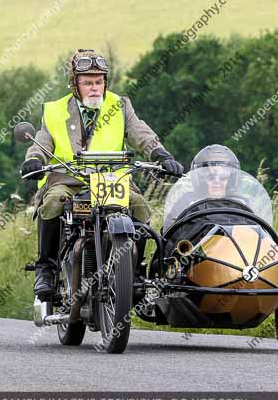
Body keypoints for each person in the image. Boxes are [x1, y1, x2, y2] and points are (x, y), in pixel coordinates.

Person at [21, 49, 184, 300]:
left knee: (139, 206)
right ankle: (46, 270)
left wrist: (161, 155)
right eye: (88, 83)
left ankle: (134, 273)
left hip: (111, 180)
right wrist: (33, 160)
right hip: (68, 180)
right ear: (74, 85)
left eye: (99, 81)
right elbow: (41, 141)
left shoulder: (120, 105)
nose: (95, 88)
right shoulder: (54, 110)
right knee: (53, 202)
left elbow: (141, 133)